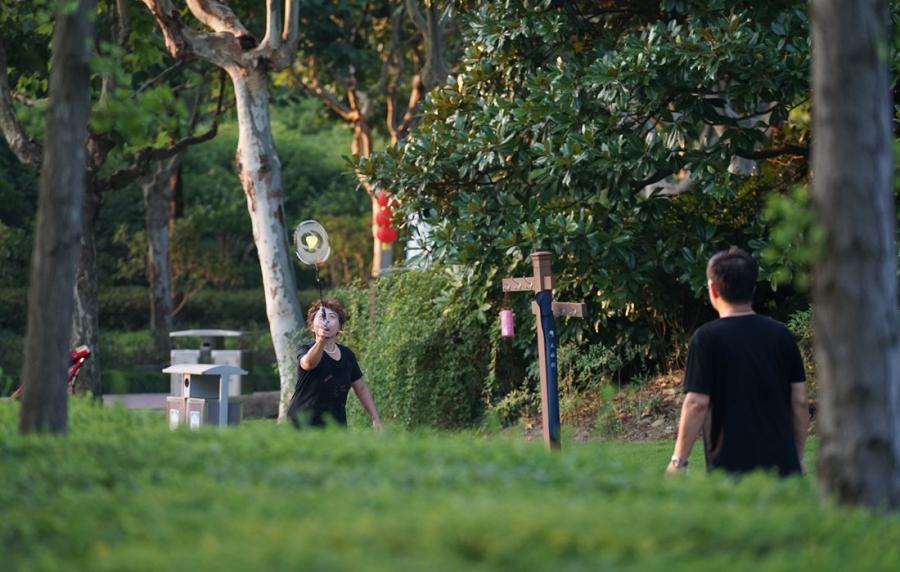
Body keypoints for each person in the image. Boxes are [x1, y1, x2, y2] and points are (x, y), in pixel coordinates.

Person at [666, 247, 810, 477]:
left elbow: (697, 403)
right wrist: (798, 457)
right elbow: (800, 402)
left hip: (730, 468)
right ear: (753, 288)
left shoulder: (706, 338)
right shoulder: (781, 335)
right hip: (783, 467)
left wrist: (678, 461)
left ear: (713, 289)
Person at [287, 299, 382, 429]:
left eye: (332, 317)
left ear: (339, 327)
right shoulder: (305, 350)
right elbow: (308, 363)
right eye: (321, 317)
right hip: (303, 423)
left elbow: (361, 388)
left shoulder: (347, 355)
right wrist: (321, 341)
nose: (326, 321)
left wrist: (375, 418)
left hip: (336, 425)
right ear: (312, 327)